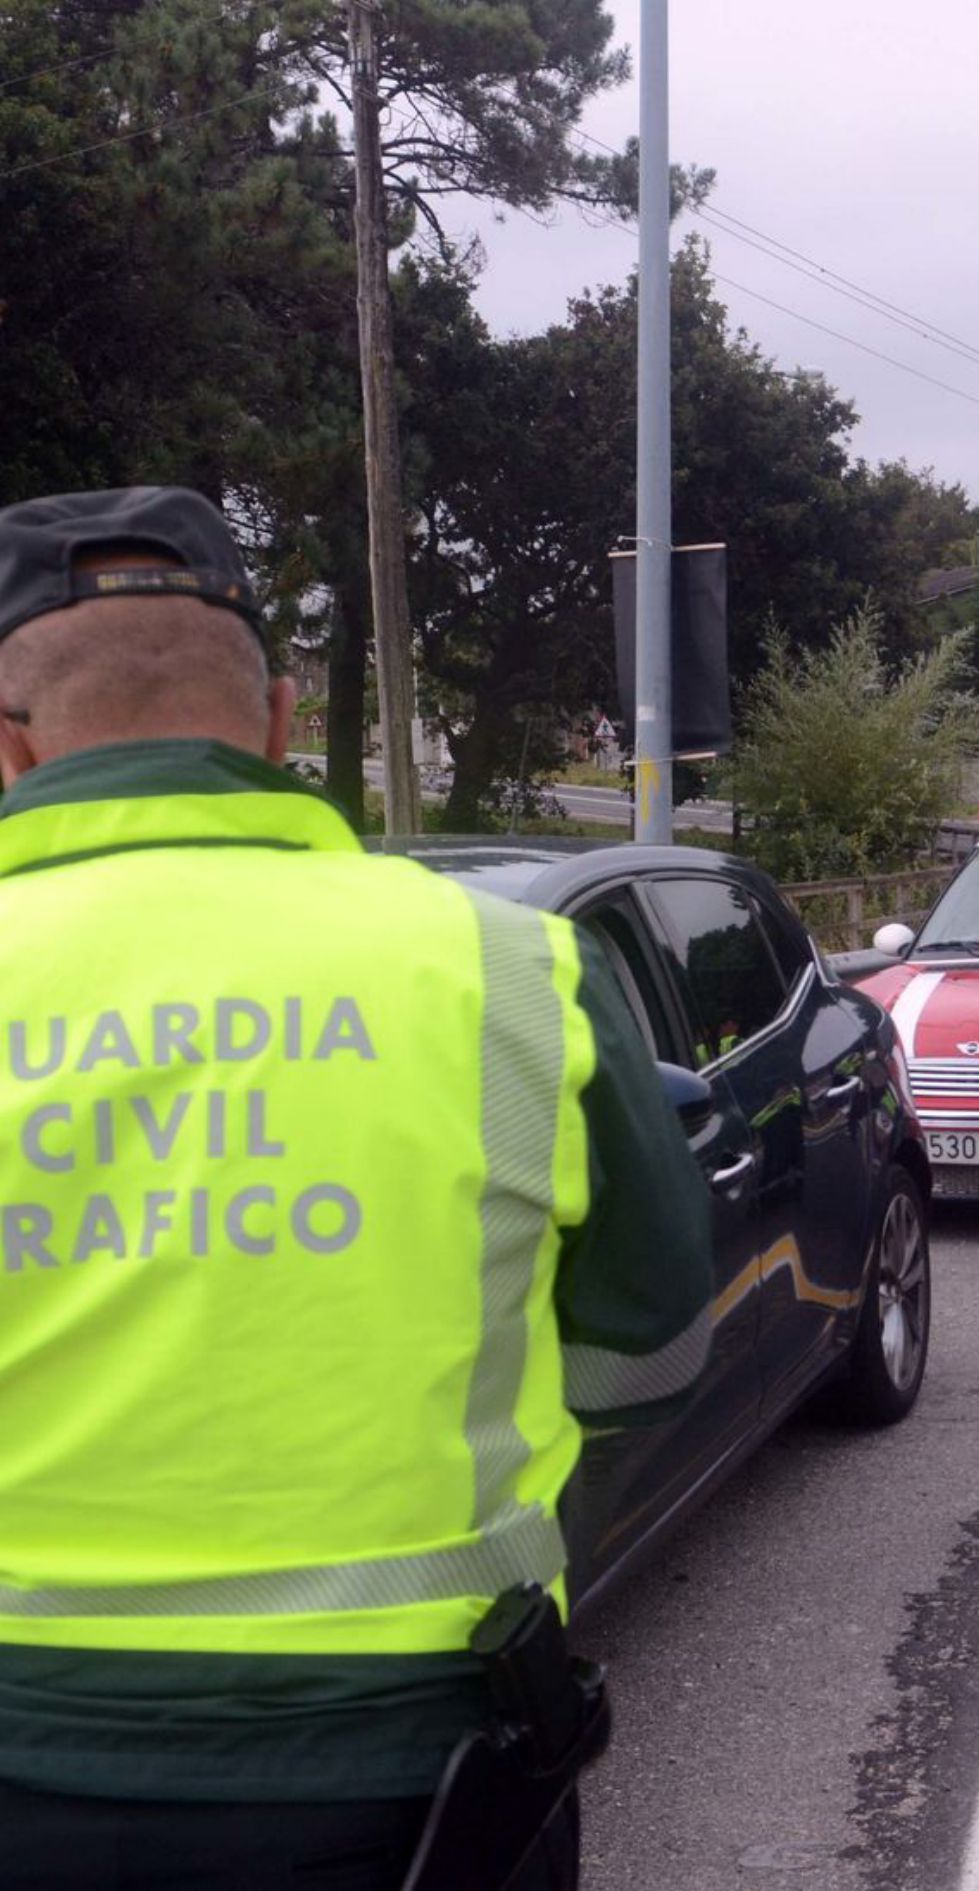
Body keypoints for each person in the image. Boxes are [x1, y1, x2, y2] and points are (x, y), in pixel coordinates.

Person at [0, 487, 714, 1889]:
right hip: (411, 1768)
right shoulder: (510, 967)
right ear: (274, 724)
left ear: (7, 744)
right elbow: (654, 1343)